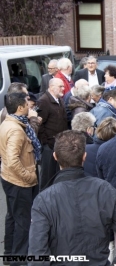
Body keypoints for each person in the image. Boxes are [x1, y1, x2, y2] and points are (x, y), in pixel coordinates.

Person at [28, 130, 116, 265]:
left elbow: (37, 254)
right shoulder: (103, 189)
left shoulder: (44, 200)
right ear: (84, 156)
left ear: (55, 157)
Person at [0, 92, 38, 259]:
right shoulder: (16, 130)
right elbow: (12, 160)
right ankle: (19, 260)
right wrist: (29, 177)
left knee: (14, 218)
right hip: (19, 182)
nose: (30, 105)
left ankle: (10, 253)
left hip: (10, 179)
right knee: (23, 224)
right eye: (27, 103)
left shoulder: (9, 122)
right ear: (21, 107)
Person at [38, 78, 68, 191]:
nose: (63, 88)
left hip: (58, 144)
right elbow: (40, 124)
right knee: (47, 175)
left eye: (63, 86)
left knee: (56, 174)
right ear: (51, 87)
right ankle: (43, 201)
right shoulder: (44, 101)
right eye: (60, 86)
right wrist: (47, 142)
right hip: (49, 146)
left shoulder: (60, 100)